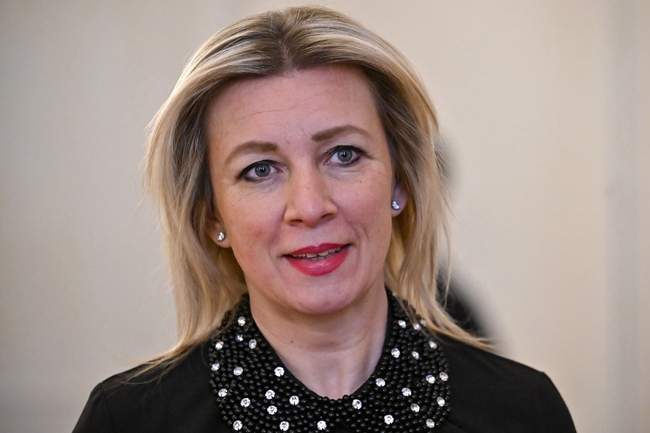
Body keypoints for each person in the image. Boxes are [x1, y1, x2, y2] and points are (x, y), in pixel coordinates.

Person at [73, 6, 576, 433]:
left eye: (343, 155)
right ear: (210, 214)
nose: (310, 206)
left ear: (400, 182)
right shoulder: (129, 421)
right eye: (260, 169)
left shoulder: (521, 411)